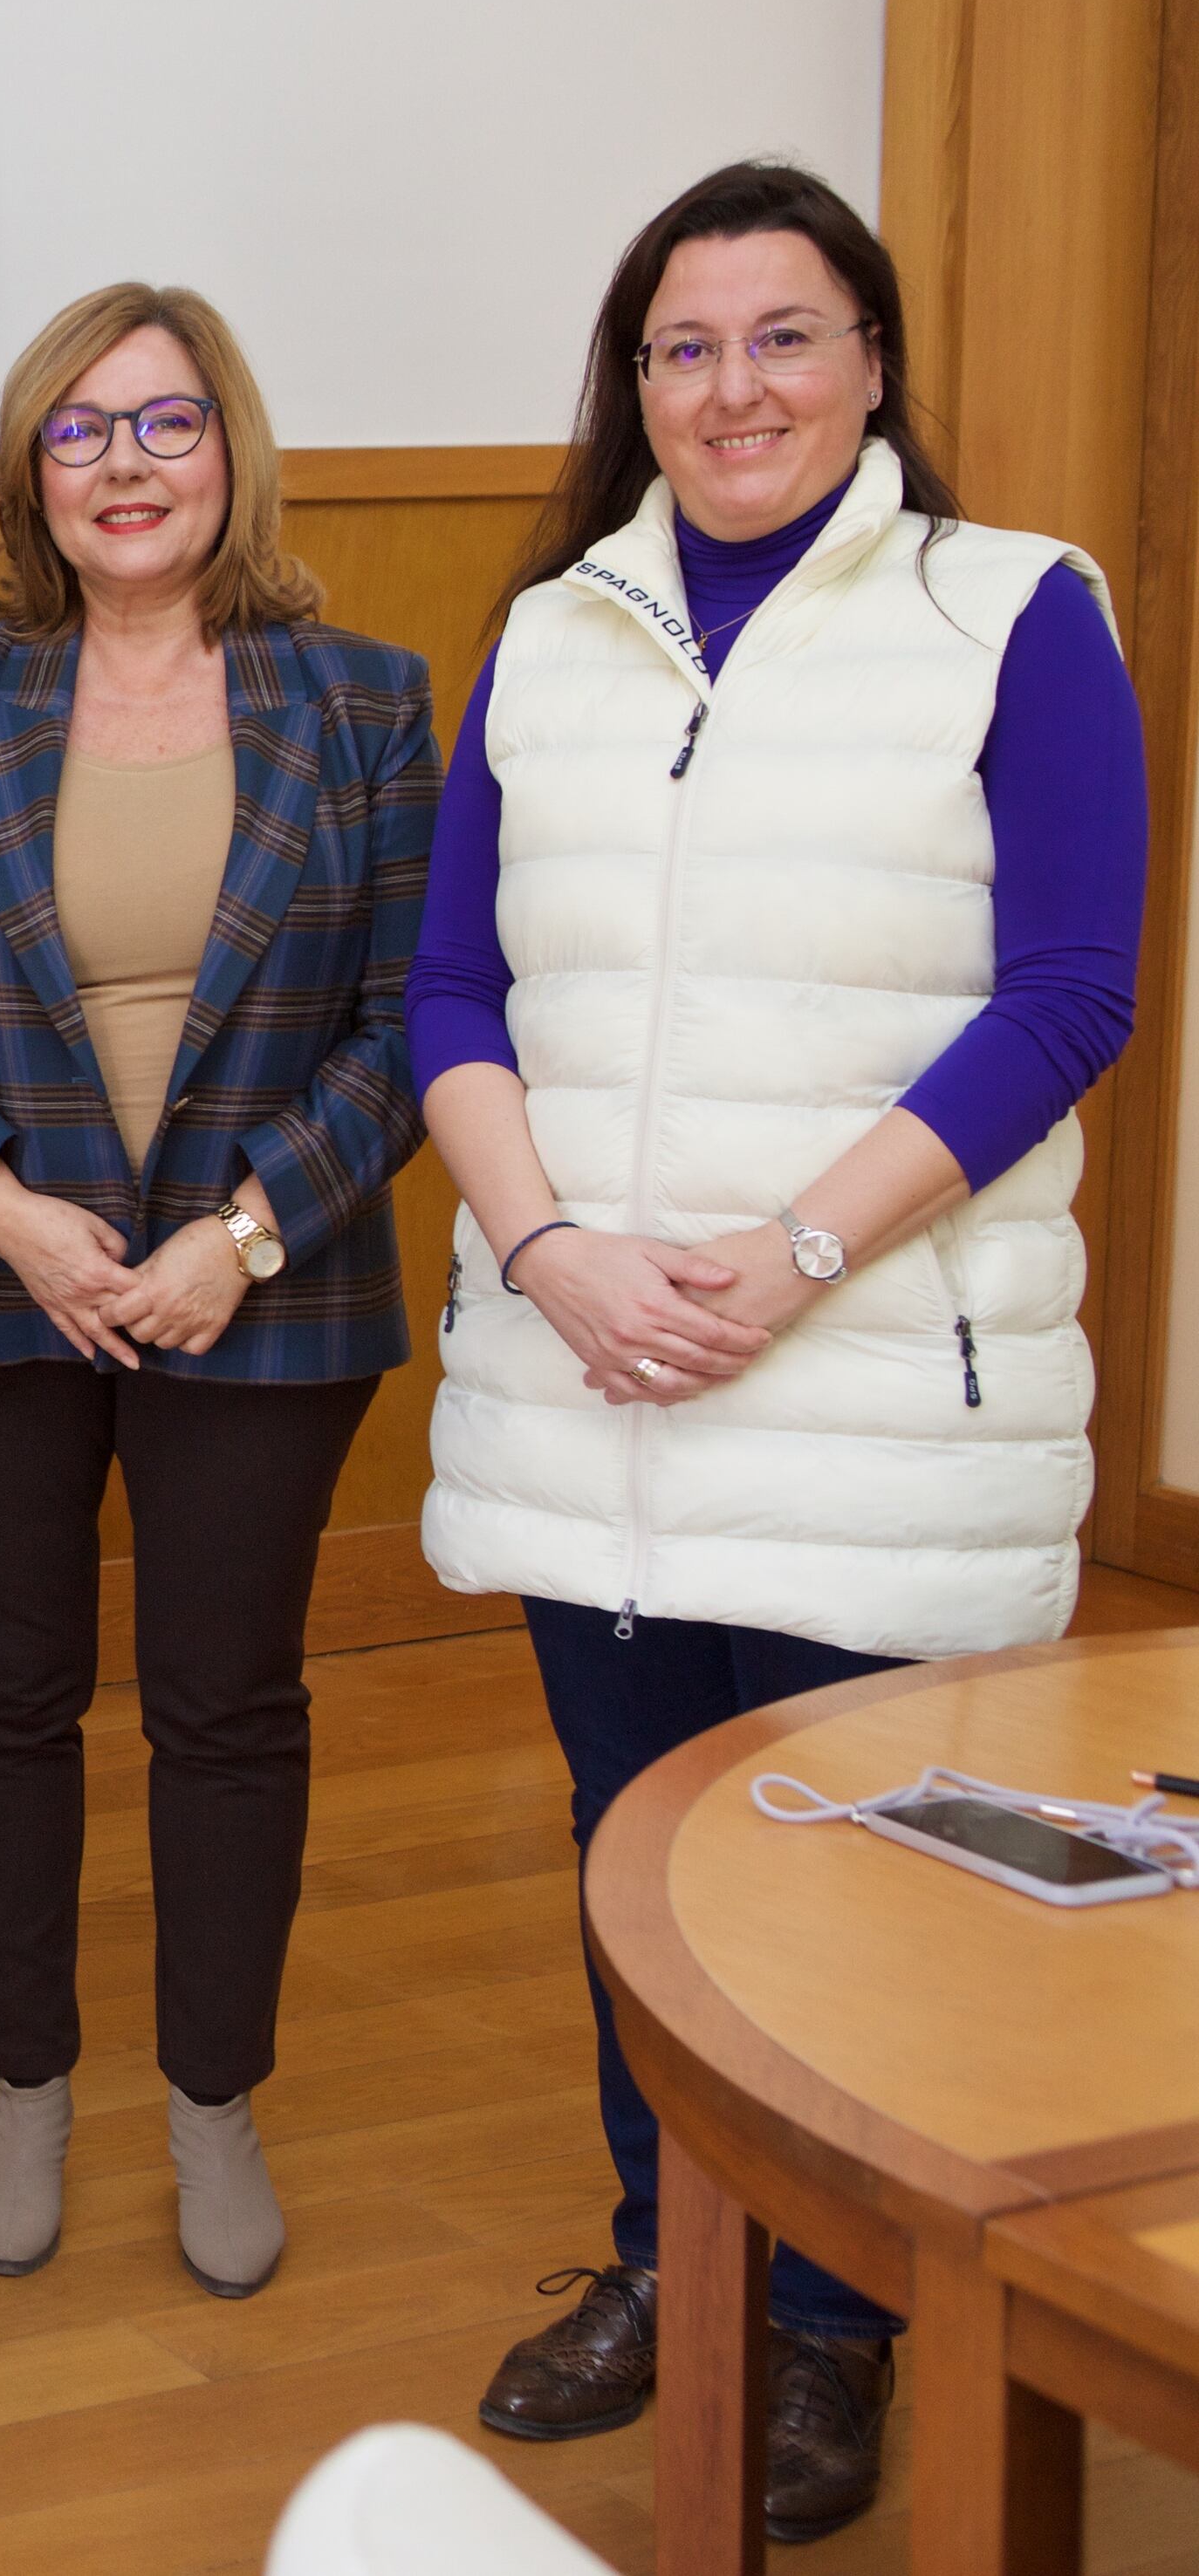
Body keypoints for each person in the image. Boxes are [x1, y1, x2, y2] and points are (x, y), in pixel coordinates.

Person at [415, 161, 1142, 2544]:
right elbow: (454, 995)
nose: (733, 388)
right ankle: (672, 2252)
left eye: (783, 336)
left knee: (849, 1897)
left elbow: (1072, 990)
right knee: (645, 1875)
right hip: (586, 1381)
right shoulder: (554, 634)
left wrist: (795, 1243)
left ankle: (835, 2327)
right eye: (684, 346)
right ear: (633, 382)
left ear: (872, 361)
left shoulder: (1011, 612)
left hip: (861, 1390)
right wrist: (547, 1251)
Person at [0, 284, 440, 2302]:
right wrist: (2, 1204)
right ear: (32, 471)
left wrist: (247, 1231)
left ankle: (212, 2093)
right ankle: (22, 2075)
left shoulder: (363, 699)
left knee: (227, 1706)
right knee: (1, 1695)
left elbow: (415, 1023)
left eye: (167, 424)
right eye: (79, 431)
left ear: (234, 451)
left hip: (260, 1297)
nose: (126, 463)